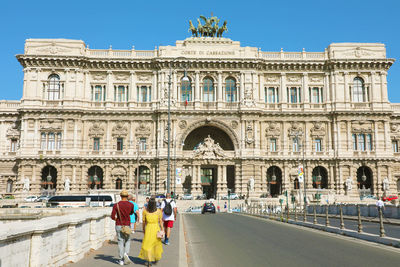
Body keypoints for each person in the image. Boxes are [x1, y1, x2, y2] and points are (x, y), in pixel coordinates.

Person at [111, 190, 134, 265]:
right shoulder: (131, 205)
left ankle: (121, 260)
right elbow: (131, 213)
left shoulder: (116, 205)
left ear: (120, 196)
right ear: (127, 196)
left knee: (120, 241)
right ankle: (126, 254)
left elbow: (112, 216)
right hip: (127, 225)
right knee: (127, 240)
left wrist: (117, 220)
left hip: (118, 225)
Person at [138, 198, 164, 266]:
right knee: (156, 244)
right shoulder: (158, 211)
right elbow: (160, 221)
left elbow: (144, 222)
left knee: (148, 244)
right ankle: (155, 257)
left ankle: (149, 260)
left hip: (149, 228)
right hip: (156, 228)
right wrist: (162, 229)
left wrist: (143, 229)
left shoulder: (145, 211)